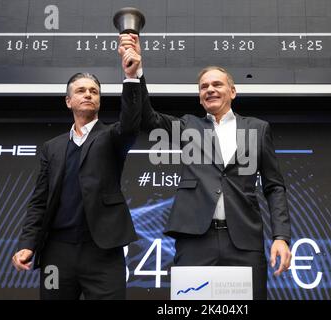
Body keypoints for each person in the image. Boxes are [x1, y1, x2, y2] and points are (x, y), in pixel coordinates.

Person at [120, 35, 291, 300]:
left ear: (232, 91)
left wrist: (281, 236)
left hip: (244, 242)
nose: (210, 89)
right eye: (203, 87)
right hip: (195, 240)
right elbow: (146, 117)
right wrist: (135, 74)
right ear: (200, 98)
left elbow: (274, 186)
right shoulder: (189, 126)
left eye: (217, 84)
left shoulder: (258, 128)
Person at [11, 42, 143, 299]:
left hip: (103, 252)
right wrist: (27, 244)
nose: (88, 94)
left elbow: (130, 124)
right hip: (57, 252)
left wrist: (130, 78)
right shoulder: (52, 147)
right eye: (81, 91)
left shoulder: (113, 136)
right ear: (68, 101)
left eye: (94, 91)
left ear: (99, 100)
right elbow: (39, 202)